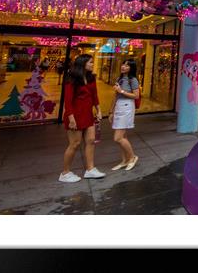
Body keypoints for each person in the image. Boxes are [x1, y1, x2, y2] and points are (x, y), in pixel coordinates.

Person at [59, 54, 106, 183]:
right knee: (75, 144)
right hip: (74, 116)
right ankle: (65, 173)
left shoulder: (91, 78)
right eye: (90, 62)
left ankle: (90, 169)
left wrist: (99, 110)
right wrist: (71, 118)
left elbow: (94, 95)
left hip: (88, 115)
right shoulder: (71, 78)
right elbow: (67, 101)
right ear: (83, 63)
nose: (92, 64)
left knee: (91, 140)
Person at [108, 59, 140, 171]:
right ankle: (124, 160)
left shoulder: (133, 80)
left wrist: (121, 91)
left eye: (127, 66)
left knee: (118, 138)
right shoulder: (119, 79)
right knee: (123, 136)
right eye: (123, 64)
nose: (123, 67)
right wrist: (111, 111)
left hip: (127, 107)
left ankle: (132, 157)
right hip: (118, 106)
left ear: (131, 68)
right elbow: (115, 96)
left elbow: (136, 96)